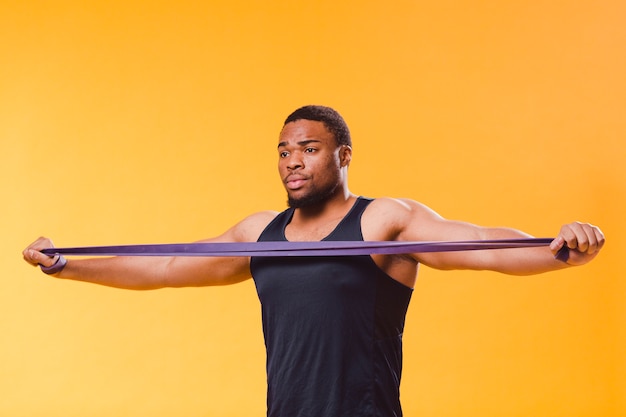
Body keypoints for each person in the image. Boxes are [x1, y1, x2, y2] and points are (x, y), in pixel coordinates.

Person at [23, 105, 604, 417]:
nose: (292, 162)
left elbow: (480, 242)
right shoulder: (261, 233)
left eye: (308, 148)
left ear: (343, 154)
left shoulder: (383, 222)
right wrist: (67, 265)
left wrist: (560, 251)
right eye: (283, 151)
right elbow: (168, 266)